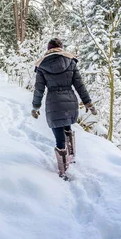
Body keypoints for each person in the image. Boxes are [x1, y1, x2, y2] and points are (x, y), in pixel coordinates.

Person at [31, 38, 97, 179]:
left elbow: (39, 90)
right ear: (61, 48)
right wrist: (88, 103)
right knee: (67, 128)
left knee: (59, 137)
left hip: (53, 103)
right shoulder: (70, 61)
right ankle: (71, 157)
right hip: (69, 101)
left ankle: (63, 170)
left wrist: (35, 107)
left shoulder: (42, 65)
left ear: (48, 49)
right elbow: (80, 85)